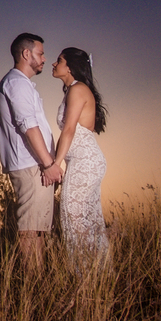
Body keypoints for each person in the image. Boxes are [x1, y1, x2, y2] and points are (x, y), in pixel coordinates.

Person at [0, 32, 62, 264]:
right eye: (40, 53)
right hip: (31, 165)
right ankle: (32, 290)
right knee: (31, 230)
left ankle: (38, 287)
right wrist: (48, 163)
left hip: (36, 165)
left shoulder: (23, 84)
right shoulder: (15, 82)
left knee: (39, 230)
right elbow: (28, 125)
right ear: (26, 53)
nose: (44, 59)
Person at [51, 47, 109, 264]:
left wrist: (55, 165)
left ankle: (87, 275)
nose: (54, 64)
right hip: (82, 161)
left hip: (85, 161)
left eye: (59, 60)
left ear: (70, 67)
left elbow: (68, 131)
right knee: (85, 219)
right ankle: (96, 276)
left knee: (73, 217)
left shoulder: (78, 89)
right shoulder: (73, 91)